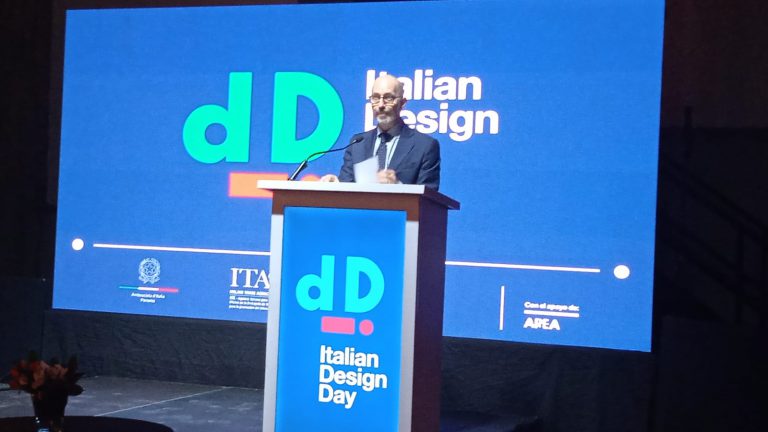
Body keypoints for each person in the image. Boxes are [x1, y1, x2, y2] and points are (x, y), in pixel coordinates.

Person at [320, 74, 441, 190]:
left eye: (388, 98)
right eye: (376, 98)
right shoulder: (357, 144)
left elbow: (428, 197)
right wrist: (336, 185)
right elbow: (348, 188)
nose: (381, 105)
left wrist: (397, 187)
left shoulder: (424, 146)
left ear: (402, 103)